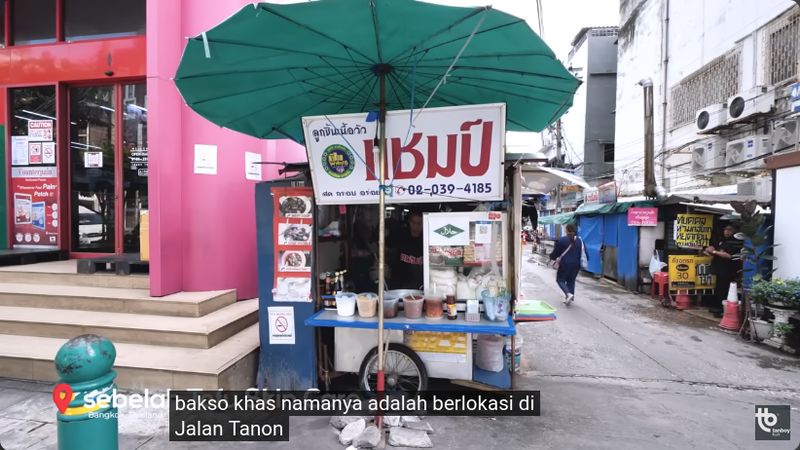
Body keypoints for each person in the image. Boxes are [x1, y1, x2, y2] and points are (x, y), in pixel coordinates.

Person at [704, 225, 742, 317]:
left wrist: (714, 252)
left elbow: (729, 256)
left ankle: (723, 310)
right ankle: (718, 307)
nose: (727, 232)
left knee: (724, 290)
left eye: (729, 230)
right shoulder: (723, 241)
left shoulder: (734, 242)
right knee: (719, 289)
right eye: (725, 230)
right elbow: (717, 251)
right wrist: (710, 251)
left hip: (728, 271)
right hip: (719, 270)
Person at [549, 223, 583, 305]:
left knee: (560, 279)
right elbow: (583, 253)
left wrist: (551, 257)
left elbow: (556, 253)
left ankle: (568, 294)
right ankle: (570, 298)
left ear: (566, 230)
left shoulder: (561, 240)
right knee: (571, 280)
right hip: (576, 264)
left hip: (565, 264)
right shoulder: (579, 240)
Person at [391, 210, 424, 289]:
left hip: (422, 285)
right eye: (413, 223)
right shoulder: (400, 236)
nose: (415, 227)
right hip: (402, 284)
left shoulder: (427, 239)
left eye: (419, 223)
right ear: (409, 222)